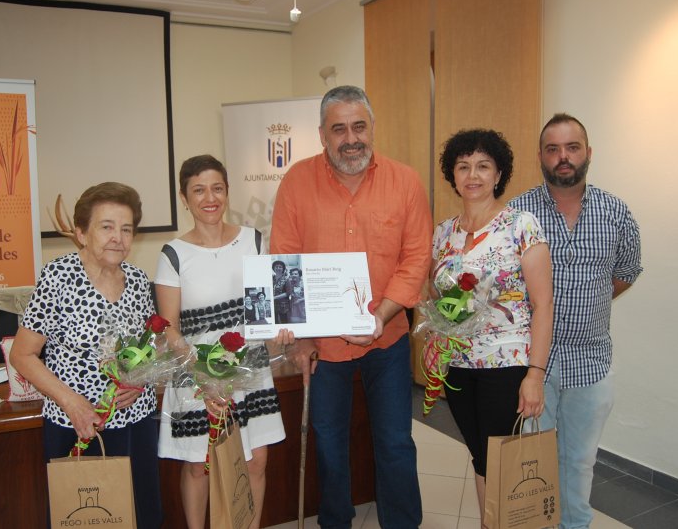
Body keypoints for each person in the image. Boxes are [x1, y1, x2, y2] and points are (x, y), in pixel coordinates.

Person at [270, 85, 432, 528]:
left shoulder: (406, 181)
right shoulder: (296, 182)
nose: (350, 138)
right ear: (322, 135)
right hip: (323, 347)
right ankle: (335, 522)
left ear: (372, 129)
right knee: (328, 441)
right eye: (338, 129)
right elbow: (283, 259)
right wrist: (299, 338)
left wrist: (378, 317)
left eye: (359, 126)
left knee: (396, 441)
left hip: (388, 338)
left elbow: (416, 258)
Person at [510, 113, 642, 529]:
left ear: (588, 153)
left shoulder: (615, 212)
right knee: (536, 461)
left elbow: (626, 272)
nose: (562, 157)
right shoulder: (517, 212)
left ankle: (575, 525)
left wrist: (590, 304)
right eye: (553, 149)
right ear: (540, 158)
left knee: (581, 460)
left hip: (591, 361)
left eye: (572, 148)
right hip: (534, 363)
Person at [10, 182, 162, 529]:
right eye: (106, 227)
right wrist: (74, 403)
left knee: (142, 515)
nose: (118, 238)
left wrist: (140, 382)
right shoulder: (58, 277)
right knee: (88, 518)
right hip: (79, 424)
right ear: (81, 233)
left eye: (126, 229)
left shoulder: (138, 280)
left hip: (136, 421)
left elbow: (149, 347)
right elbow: (23, 355)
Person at [155, 154, 290, 529]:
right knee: (199, 465)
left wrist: (282, 329)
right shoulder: (172, 255)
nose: (209, 197)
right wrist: (206, 378)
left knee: (255, 460)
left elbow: (271, 306)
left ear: (227, 192)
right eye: (198, 190)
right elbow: (168, 328)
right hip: (195, 375)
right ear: (185, 198)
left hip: (250, 370)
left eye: (216, 188)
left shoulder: (254, 240)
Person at [434, 129, 553, 527]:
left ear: (499, 173)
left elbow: (543, 304)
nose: (473, 175)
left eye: (483, 166)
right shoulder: (443, 234)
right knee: (482, 457)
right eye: (463, 166)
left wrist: (535, 374)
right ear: (453, 175)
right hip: (458, 367)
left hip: (507, 363)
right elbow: (438, 300)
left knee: (499, 458)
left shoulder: (521, 225)